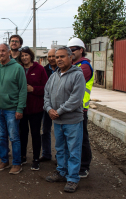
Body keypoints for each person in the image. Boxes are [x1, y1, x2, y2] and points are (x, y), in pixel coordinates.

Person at [44, 46, 85, 193]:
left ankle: (73, 178)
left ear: (70, 58)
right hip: (57, 121)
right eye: (57, 57)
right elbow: (46, 94)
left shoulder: (77, 75)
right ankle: (61, 172)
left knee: (73, 150)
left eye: (62, 56)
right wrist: (49, 109)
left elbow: (75, 99)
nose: (59, 59)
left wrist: (58, 111)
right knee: (60, 149)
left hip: (72, 121)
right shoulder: (54, 76)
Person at [0, 43, 27, 174]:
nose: (1, 53)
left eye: (3, 51)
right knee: (1, 137)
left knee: (14, 137)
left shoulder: (17, 68)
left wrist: (20, 108)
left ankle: (17, 163)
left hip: (12, 109)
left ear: (9, 52)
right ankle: (4, 160)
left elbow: (23, 90)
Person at [17, 46, 48, 170]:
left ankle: (36, 159)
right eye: (22, 55)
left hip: (36, 108)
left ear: (31, 56)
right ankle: (23, 156)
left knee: (35, 134)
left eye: (26, 55)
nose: (24, 57)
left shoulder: (39, 69)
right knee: (22, 134)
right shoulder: (18, 68)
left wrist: (33, 89)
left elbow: (46, 88)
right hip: (21, 108)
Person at [67, 38, 94, 178]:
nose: (70, 53)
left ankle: (84, 166)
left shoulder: (84, 66)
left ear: (81, 50)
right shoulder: (73, 65)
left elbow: (70, 83)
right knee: (71, 139)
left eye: (73, 50)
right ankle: (72, 163)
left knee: (82, 139)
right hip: (70, 108)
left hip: (80, 109)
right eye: (69, 50)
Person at [40, 48, 58, 162]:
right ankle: (46, 154)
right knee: (45, 130)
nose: (51, 59)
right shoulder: (44, 70)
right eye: (49, 56)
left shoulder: (63, 70)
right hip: (46, 105)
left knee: (59, 131)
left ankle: (59, 156)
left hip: (59, 106)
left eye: (54, 56)